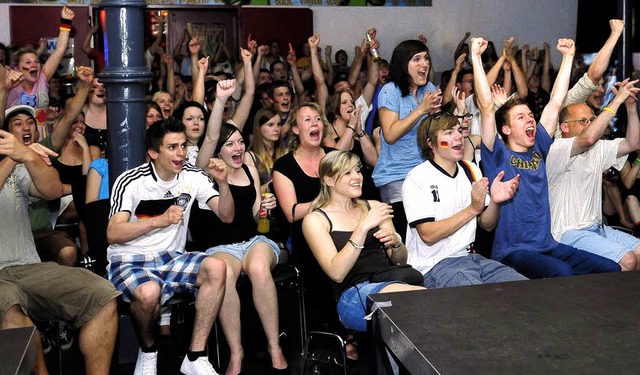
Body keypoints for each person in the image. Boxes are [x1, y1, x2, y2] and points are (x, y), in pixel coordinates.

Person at [472, 36, 620, 278]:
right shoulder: (496, 153)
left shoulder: (539, 146)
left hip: (547, 245)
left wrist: (568, 57)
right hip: (513, 251)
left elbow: (555, 102)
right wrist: (476, 58)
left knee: (610, 268)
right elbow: (487, 107)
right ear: (506, 129)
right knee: (562, 273)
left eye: (531, 115)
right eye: (521, 117)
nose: (530, 119)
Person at [106, 118, 234, 375]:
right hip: (130, 258)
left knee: (218, 267)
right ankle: (149, 349)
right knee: (149, 293)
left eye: (183, 146)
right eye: (172, 147)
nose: (181, 153)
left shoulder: (193, 175)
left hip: (171, 258)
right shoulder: (131, 180)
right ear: (154, 153)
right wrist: (157, 221)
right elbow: (113, 233)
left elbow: (226, 215)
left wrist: (223, 183)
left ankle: (195, 357)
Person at [1, 106, 120, 375]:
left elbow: (52, 190)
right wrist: (15, 155)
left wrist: (28, 158)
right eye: (16, 123)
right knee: (11, 313)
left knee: (102, 295)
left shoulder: (21, 164)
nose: (25, 127)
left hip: (29, 267)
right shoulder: (11, 160)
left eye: (28, 122)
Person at [302, 150, 424, 332]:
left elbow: (400, 260)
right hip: (352, 294)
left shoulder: (374, 207)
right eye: (348, 173)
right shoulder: (315, 220)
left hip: (389, 280)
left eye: (358, 171)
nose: (357, 177)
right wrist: (362, 227)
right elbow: (336, 273)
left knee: (424, 306)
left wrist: (396, 242)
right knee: (419, 303)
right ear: (329, 181)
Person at [402, 111, 527, 287]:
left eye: (459, 131)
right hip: (433, 265)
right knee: (479, 300)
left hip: (471, 258)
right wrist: (472, 209)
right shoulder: (417, 177)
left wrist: (495, 202)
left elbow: (487, 224)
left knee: (523, 289)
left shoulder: (471, 169)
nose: (458, 137)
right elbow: (428, 234)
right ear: (431, 143)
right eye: (449, 133)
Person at [204, 122, 288, 374]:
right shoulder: (206, 173)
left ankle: (275, 347)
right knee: (225, 275)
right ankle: (236, 352)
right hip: (220, 246)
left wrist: (264, 206)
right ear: (217, 151)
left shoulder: (250, 169)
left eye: (240, 142)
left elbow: (256, 219)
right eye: (229, 144)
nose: (238, 147)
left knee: (259, 268)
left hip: (253, 241)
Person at [548, 80, 640, 271]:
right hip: (567, 233)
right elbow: (588, 138)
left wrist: (630, 107)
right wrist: (615, 101)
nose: (590, 125)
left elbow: (633, 143)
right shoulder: (557, 148)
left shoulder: (598, 148)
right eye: (583, 121)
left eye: (592, 120)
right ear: (564, 127)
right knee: (628, 260)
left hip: (597, 228)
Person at [372, 39, 441, 241]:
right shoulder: (390, 90)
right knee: (406, 236)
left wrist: (435, 116)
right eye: (417, 59)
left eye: (426, 58)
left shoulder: (427, 88)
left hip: (425, 172)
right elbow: (391, 134)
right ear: (403, 64)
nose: (424, 64)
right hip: (396, 175)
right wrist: (421, 110)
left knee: (429, 234)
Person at [7, 5, 75, 141]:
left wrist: (65, 21)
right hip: (16, 141)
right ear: (17, 68)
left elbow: (59, 51)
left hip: (42, 140)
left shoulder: (43, 77)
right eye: (27, 63)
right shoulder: (8, 81)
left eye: (36, 61)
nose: (33, 65)